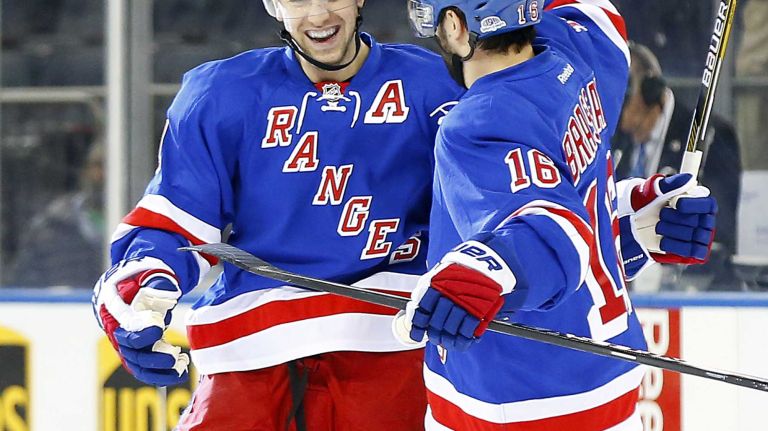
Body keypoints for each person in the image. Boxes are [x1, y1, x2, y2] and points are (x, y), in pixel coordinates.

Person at [91, 1, 463, 429]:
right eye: (299, 0)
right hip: (252, 351)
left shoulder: (438, 88)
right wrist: (144, 285)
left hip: (395, 347)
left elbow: (481, 211)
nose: (320, 15)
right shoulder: (221, 94)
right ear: (272, 5)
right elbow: (178, 221)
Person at [398, 1, 717, 429]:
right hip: (609, 379)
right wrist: (625, 223)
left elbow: (548, 232)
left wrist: (486, 271)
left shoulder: (476, 124)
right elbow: (571, 203)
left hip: (518, 398)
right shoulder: (587, 48)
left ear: (455, 26)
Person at [614, 42, 741, 290]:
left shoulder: (712, 136)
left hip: (698, 291)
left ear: (651, 91)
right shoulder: (618, 142)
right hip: (629, 288)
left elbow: (720, 230)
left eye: (623, 93)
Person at [8, 142, 105, 287]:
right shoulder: (50, 227)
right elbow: (22, 282)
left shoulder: (142, 226)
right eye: (99, 165)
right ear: (85, 170)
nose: (104, 174)